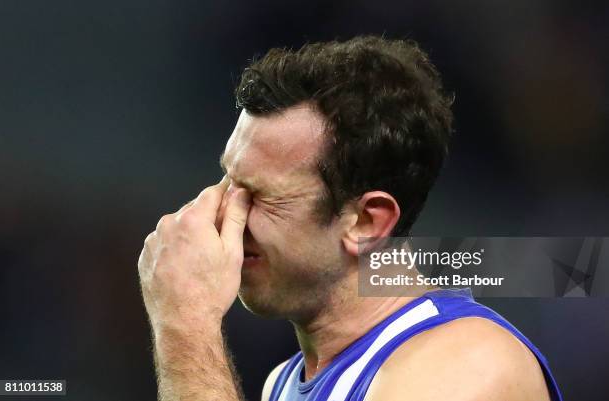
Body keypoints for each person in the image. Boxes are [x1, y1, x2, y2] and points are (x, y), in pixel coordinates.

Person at [138, 36, 562, 401]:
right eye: (228, 180)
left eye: (261, 196)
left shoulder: (468, 365)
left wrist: (187, 323)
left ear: (366, 222)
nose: (221, 214)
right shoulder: (283, 383)